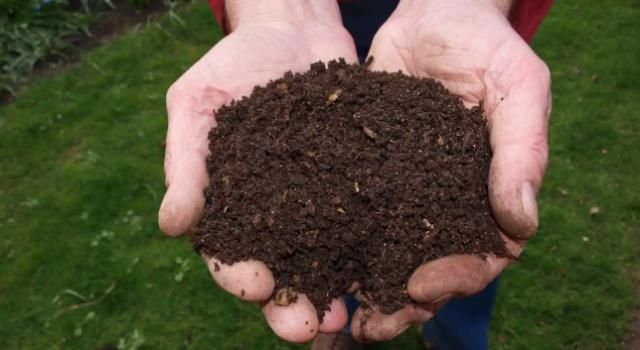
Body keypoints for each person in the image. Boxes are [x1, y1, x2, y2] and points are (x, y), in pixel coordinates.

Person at [158, 0, 553, 349]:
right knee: (335, 254)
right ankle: (342, 315)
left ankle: (453, 339)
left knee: (459, 266)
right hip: (309, 20)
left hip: (443, 20)